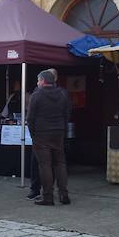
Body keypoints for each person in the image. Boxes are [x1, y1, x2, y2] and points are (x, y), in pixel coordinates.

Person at [28, 69, 72, 206]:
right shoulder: (62, 94)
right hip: (58, 132)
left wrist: (33, 134)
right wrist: (63, 130)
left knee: (45, 165)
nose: (37, 82)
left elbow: (30, 118)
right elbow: (67, 113)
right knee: (60, 163)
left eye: (38, 80)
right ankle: (64, 194)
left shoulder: (37, 95)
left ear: (42, 81)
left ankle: (47, 196)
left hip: (41, 133)